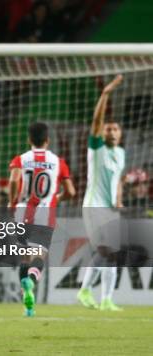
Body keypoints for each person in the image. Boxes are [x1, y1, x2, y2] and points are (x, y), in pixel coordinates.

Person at [9, 122, 76, 317]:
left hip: (21, 213)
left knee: (23, 257)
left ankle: (27, 305)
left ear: (29, 140)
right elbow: (71, 191)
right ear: (48, 140)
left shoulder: (21, 159)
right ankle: (31, 280)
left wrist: (12, 201)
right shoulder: (58, 161)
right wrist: (57, 198)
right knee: (38, 255)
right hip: (45, 215)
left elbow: (13, 180)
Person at [77, 75, 126, 312]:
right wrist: (105, 94)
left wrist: (118, 198)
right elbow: (96, 122)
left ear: (121, 133)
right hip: (93, 206)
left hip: (109, 208)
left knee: (112, 254)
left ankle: (106, 299)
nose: (112, 132)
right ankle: (85, 290)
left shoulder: (121, 153)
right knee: (105, 251)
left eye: (115, 129)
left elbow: (119, 179)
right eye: (108, 129)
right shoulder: (96, 149)